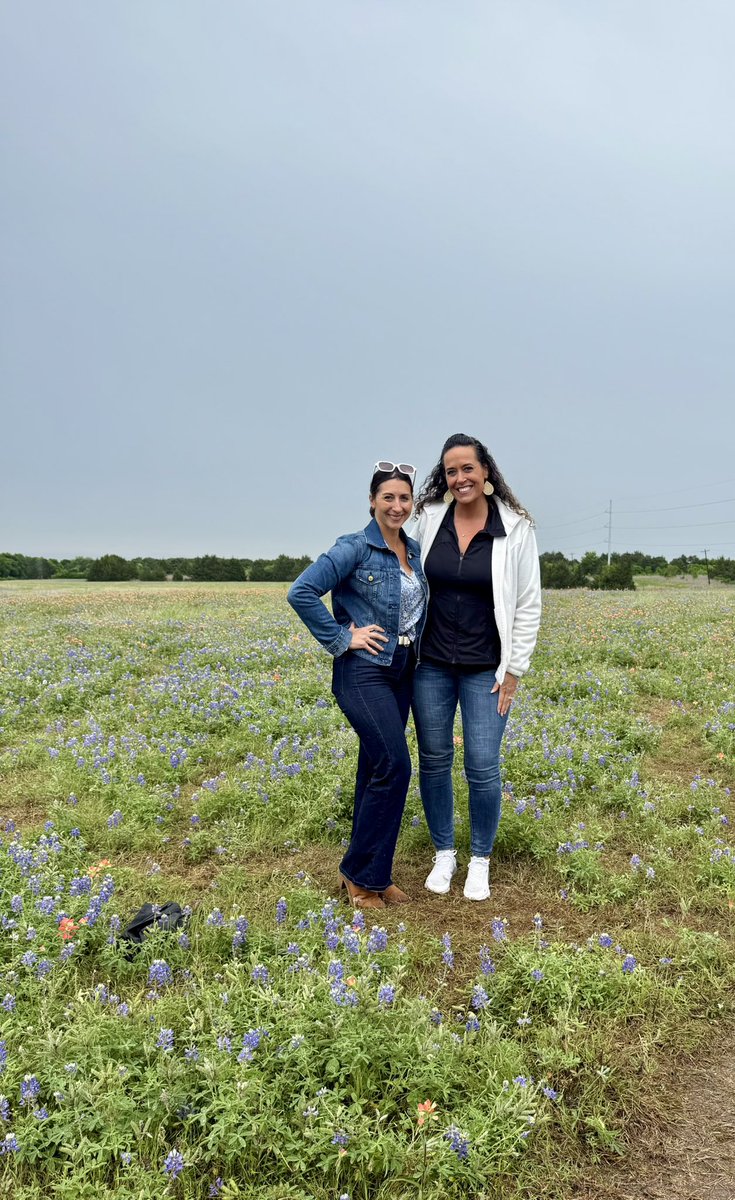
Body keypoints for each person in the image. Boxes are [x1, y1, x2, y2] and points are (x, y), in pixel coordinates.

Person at [287, 462, 427, 909]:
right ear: (372, 501)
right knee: (395, 766)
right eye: (388, 497)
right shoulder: (353, 547)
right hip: (363, 670)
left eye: (404, 498)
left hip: (402, 668)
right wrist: (342, 637)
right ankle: (359, 878)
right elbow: (301, 591)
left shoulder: (413, 549)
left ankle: (376, 873)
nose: (397, 505)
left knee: (375, 769)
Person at [411, 433, 541, 901]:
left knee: (483, 764)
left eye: (468, 468)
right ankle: (444, 852)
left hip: (487, 667)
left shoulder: (515, 527)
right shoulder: (429, 519)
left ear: (485, 471)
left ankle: (480, 859)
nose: (460, 478)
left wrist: (515, 670)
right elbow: (400, 573)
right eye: (451, 471)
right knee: (434, 759)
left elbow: (528, 603)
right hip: (430, 664)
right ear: (443, 478)